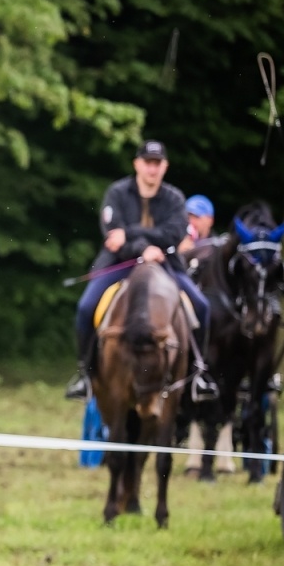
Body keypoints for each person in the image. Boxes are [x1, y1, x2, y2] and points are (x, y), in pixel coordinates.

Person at [65, 140, 215, 401]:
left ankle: (197, 374)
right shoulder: (116, 193)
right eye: (147, 162)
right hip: (118, 263)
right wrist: (143, 249)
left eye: (157, 163)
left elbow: (174, 233)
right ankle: (85, 374)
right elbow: (113, 237)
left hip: (164, 264)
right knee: (85, 307)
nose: (152, 169)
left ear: (165, 166)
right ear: (137, 164)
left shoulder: (175, 198)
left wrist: (132, 235)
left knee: (202, 306)